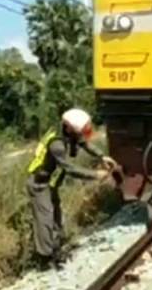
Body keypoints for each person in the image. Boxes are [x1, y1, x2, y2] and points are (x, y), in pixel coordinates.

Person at [26, 108, 117, 269]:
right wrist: (95, 175)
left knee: (56, 218)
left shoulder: (67, 132)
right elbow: (70, 169)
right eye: (79, 132)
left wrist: (101, 156)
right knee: (45, 220)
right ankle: (44, 260)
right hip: (39, 184)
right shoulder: (57, 145)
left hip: (51, 183)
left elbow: (84, 143)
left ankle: (55, 249)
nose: (81, 135)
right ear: (69, 129)